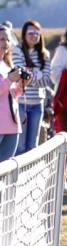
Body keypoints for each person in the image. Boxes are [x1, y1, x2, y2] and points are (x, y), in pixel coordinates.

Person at [12, 20, 53, 155]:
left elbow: (46, 81)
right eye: (30, 32)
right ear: (24, 34)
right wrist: (37, 74)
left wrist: (30, 75)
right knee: (20, 146)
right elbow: (20, 76)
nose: (34, 35)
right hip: (21, 103)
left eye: (37, 32)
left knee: (32, 146)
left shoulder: (45, 54)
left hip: (37, 104)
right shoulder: (17, 50)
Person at [0, 28, 31, 161]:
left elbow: (12, 95)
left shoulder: (7, 65)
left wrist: (22, 85)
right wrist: (9, 80)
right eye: (2, 39)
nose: (6, 43)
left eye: (8, 39)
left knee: (6, 167)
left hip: (12, 124)